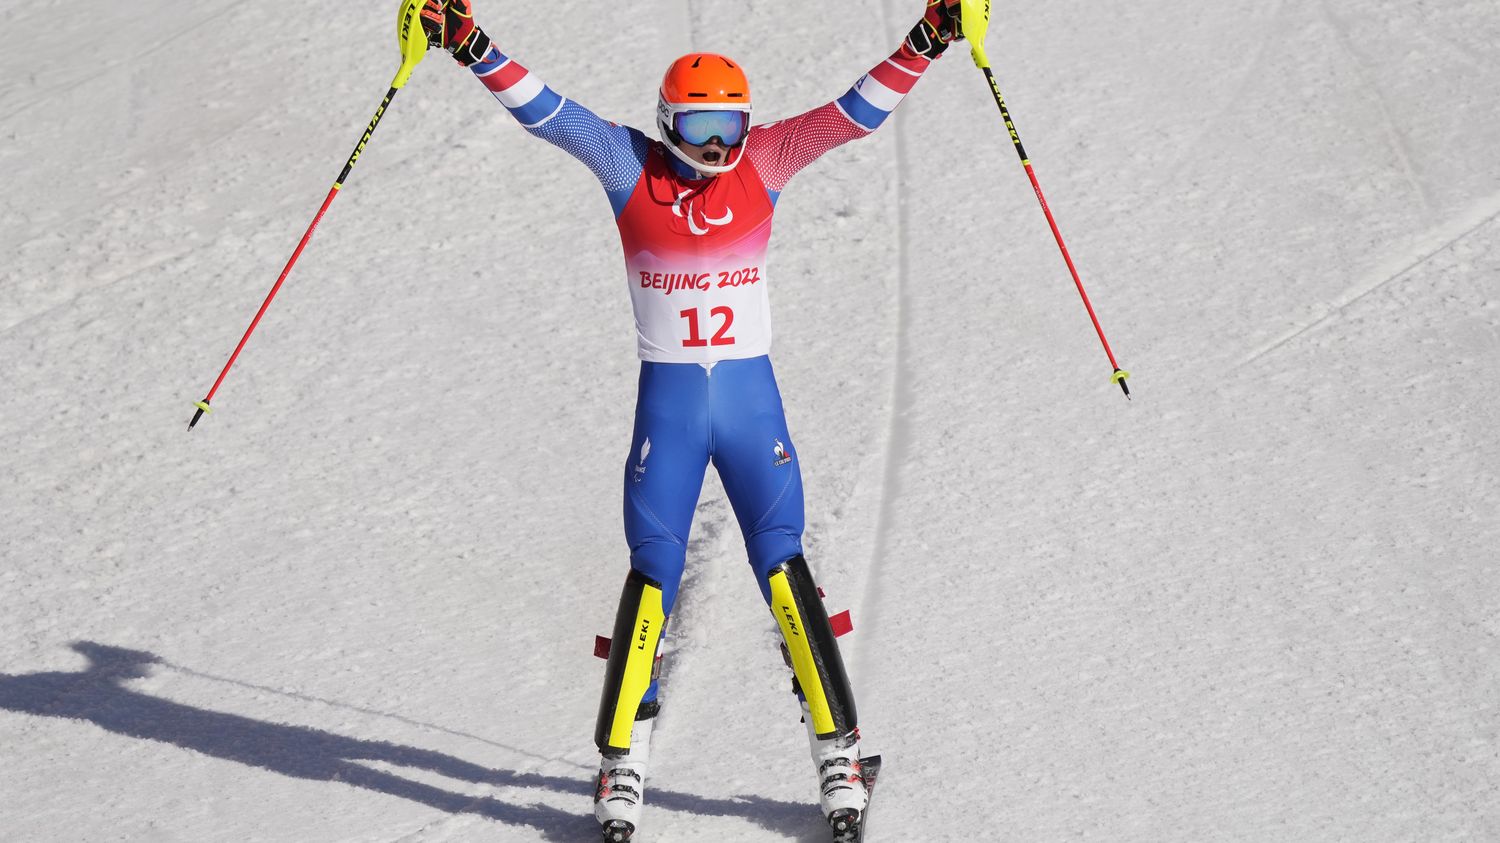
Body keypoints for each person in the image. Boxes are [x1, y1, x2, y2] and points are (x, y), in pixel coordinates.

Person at [419, 2, 965, 839]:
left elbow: (851, 115)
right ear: (668, 120)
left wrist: (925, 41)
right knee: (654, 578)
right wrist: (470, 45)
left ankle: (829, 759)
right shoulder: (629, 162)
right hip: (693, 409)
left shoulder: (765, 156)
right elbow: (548, 113)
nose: (717, 147)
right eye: (700, 126)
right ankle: (625, 767)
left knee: (783, 570)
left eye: (730, 125)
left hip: (728, 407)